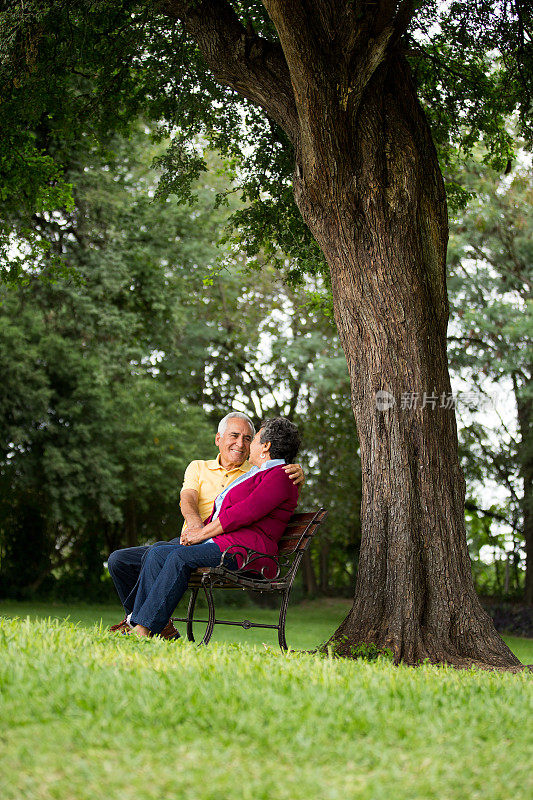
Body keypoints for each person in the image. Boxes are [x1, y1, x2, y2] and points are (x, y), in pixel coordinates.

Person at [107, 412, 303, 638]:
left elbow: (242, 514)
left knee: (178, 557)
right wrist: (197, 531)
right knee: (158, 552)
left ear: (265, 446)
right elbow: (218, 508)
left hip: (247, 552)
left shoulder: (280, 476)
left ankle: (143, 629)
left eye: (253, 438)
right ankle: (149, 625)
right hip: (227, 544)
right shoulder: (260, 474)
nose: (247, 445)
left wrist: (200, 535)